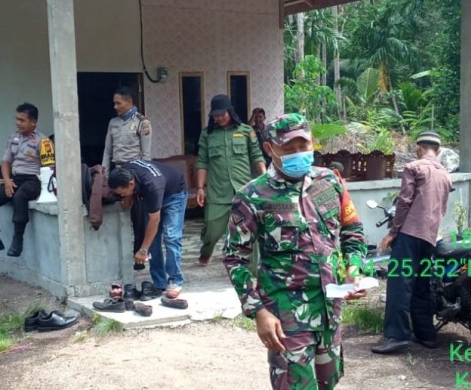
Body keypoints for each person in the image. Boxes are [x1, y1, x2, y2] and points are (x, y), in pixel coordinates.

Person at [223, 113, 367, 389]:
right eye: (289, 149)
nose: (299, 154)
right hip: (286, 316)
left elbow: (352, 230)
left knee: (328, 381)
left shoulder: (330, 181)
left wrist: (354, 268)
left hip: (329, 310)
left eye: (304, 147)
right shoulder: (253, 196)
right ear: (270, 149)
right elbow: (234, 258)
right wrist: (258, 312)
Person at [371, 131, 452, 354]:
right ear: (437, 150)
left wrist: (393, 232)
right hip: (430, 238)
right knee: (421, 286)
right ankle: (426, 335)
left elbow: (404, 203)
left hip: (409, 235)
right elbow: (442, 208)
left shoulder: (414, 167)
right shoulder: (445, 174)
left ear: (418, 147)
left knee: (399, 285)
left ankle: (397, 336)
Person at [0, 103, 55, 258]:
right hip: (15, 179)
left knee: (19, 197)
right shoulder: (13, 138)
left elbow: (50, 167)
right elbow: (5, 162)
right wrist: (7, 180)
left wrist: (45, 191)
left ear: (33, 122)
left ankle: (18, 240)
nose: (18, 123)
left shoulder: (43, 141)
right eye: (17, 119)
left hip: (34, 180)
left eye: (22, 120)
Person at [194, 94, 265, 267]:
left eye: (222, 114)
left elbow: (257, 157)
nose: (218, 118)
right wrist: (200, 188)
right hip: (218, 190)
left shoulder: (246, 131)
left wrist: (265, 181)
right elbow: (202, 161)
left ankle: (253, 266)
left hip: (243, 189)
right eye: (215, 115)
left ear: (230, 112)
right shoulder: (207, 134)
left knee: (251, 227)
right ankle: (206, 251)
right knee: (212, 228)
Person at [108, 159, 188, 299]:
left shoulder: (152, 185)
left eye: (123, 193)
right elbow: (126, 202)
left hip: (174, 194)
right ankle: (159, 283)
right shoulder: (126, 170)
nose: (121, 196)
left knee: (171, 236)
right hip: (153, 193)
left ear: (132, 184)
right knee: (152, 240)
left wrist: (142, 250)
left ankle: (175, 280)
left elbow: (154, 220)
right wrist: (126, 198)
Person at [101, 86, 152, 259]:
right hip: (117, 171)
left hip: (134, 174)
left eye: (118, 103)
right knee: (109, 205)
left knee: (138, 219)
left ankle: (138, 257)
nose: (115, 106)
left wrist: (141, 181)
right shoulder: (113, 123)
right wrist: (105, 175)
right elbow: (107, 152)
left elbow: (146, 155)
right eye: (114, 103)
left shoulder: (141, 122)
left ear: (129, 102)